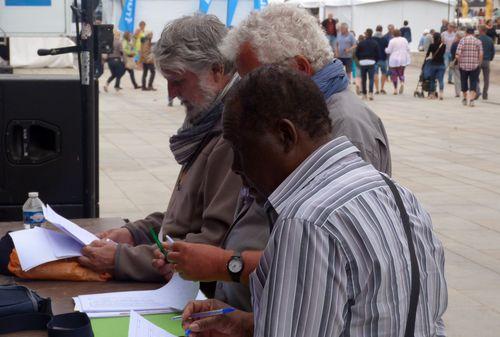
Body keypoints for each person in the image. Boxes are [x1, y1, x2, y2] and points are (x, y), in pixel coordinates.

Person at [153, 4, 392, 312]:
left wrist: (229, 265)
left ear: (301, 70)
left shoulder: (345, 128)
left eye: (253, 81)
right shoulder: (302, 119)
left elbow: (335, 264)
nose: (242, 94)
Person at [178, 65, 448, 337]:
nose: (235, 167)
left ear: (285, 136)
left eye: (241, 149)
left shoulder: (307, 221)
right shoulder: (397, 194)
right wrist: (245, 324)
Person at [78, 14, 243, 284]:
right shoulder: (210, 120)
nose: (171, 92)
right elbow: (186, 215)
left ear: (216, 71)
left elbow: (211, 242)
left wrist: (121, 258)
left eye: (178, 80)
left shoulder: (232, 137)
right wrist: (136, 233)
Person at [456, 27, 483, 107]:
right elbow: (481, 54)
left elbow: (458, 54)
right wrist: (479, 63)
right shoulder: (478, 41)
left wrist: (459, 62)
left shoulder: (462, 40)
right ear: (473, 33)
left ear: (466, 32)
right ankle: (471, 100)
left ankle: (465, 99)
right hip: (474, 66)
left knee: (463, 82)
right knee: (473, 82)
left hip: (463, 66)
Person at [355, 28, 379, 100]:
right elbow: (377, 53)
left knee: (364, 79)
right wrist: (375, 60)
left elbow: (357, 53)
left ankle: (364, 94)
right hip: (371, 62)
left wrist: (360, 59)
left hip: (363, 62)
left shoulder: (361, 43)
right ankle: (371, 93)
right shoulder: (375, 43)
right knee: (371, 78)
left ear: (366, 34)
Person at [385, 29, 411, 95]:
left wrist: (385, 50)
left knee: (394, 75)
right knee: (401, 73)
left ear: (393, 34)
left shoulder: (392, 41)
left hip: (393, 59)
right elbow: (408, 48)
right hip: (403, 59)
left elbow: (389, 50)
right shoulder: (404, 40)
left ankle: (395, 89)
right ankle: (402, 82)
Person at [425, 32, 446, 100]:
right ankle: (441, 93)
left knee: (432, 80)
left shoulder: (431, 45)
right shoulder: (443, 45)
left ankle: (432, 94)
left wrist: (427, 58)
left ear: (433, 38)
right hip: (441, 64)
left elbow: (427, 54)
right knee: (441, 80)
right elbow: (443, 53)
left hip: (433, 64)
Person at [477, 25, 495, 100]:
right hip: (487, 61)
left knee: (475, 77)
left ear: (481, 30)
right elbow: (493, 51)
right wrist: (490, 58)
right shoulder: (490, 40)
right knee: (486, 79)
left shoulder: (477, 39)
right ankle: (485, 94)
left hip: (478, 61)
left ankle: (477, 91)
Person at [373, 25, 388, 94]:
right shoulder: (384, 39)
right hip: (383, 58)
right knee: (384, 73)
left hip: (374, 59)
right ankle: (382, 88)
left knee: (375, 73)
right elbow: (387, 49)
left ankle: (377, 89)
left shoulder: (372, 38)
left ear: (376, 30)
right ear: (382, 30)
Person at [450, 31, 465, 97]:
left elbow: (452, 52)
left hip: (456, 63)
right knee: (464, 78)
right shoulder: (465, 44)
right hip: (464, 63)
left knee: (457, 78)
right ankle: (465, 90)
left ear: (458, 37)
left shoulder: (454, 44)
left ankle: (458, 93)